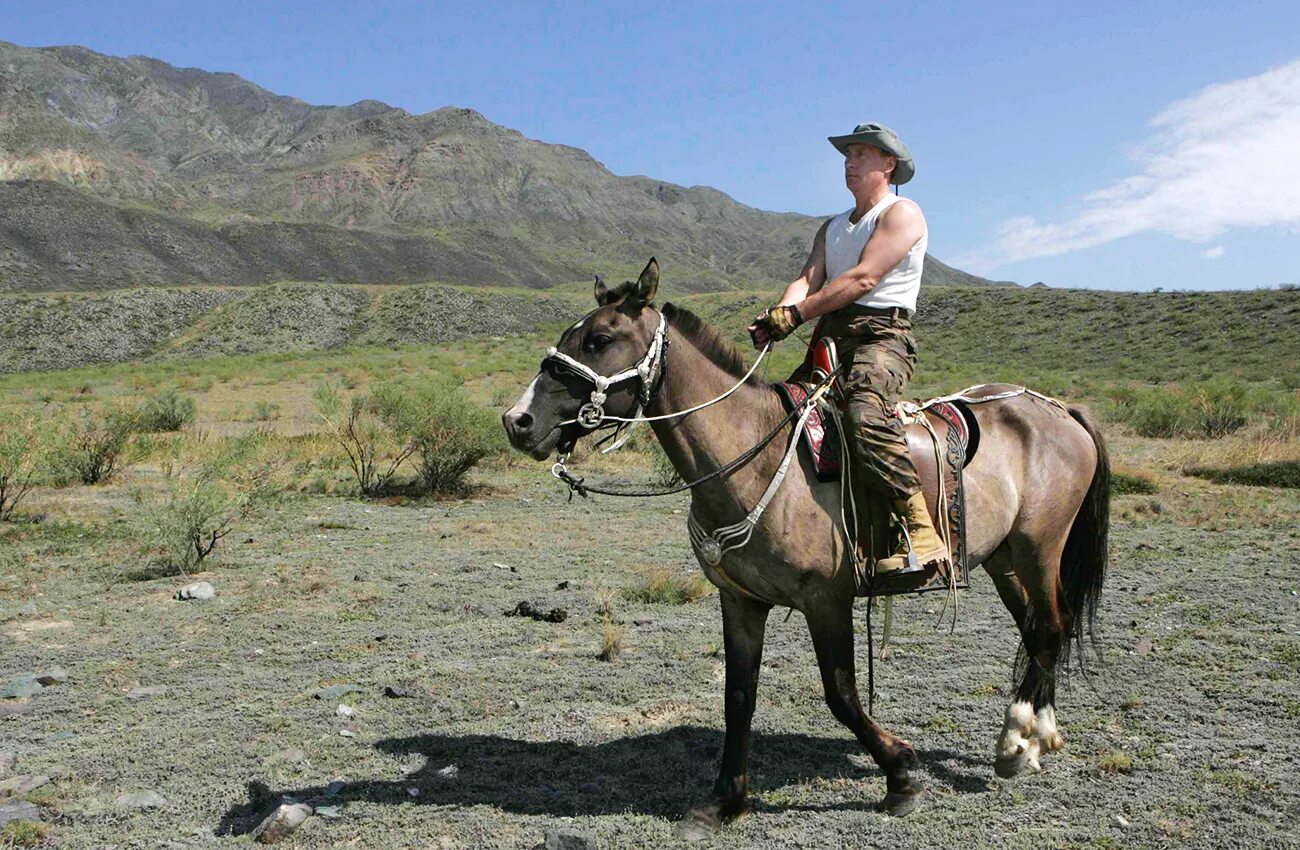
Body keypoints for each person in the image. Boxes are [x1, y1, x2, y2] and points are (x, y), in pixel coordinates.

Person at [748, 122, 948, 575]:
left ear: (888, 164)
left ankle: (921, 529)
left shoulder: (903, 214)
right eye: (847, 155)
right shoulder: (833, 227)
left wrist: (797, 316)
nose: (850, 162)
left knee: (864, 414)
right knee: (778, 416)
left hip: (882, 337)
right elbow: (807, 279)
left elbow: (863, 279)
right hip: (831, 338)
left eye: (862, 154)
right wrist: (778, 313)